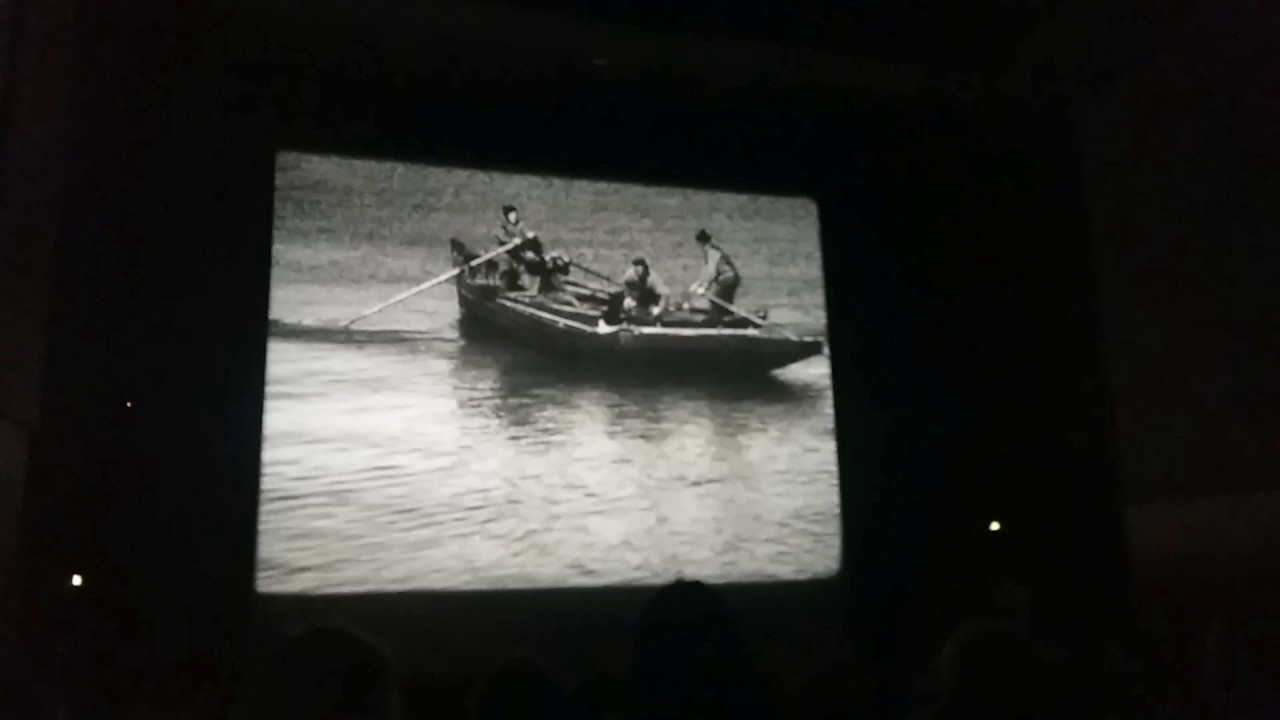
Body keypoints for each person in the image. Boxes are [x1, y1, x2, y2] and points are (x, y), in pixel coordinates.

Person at [689, 228, 740, 321]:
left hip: (727, 279)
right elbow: (706, 272)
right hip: (733, 279)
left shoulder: (711, 251)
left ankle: (717, 322)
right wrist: (698, 284)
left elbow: (712, 273)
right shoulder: (714, 249)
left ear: (700, 243)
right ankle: (729, 319)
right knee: (724, 305)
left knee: (716, 304)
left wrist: (704, 288)